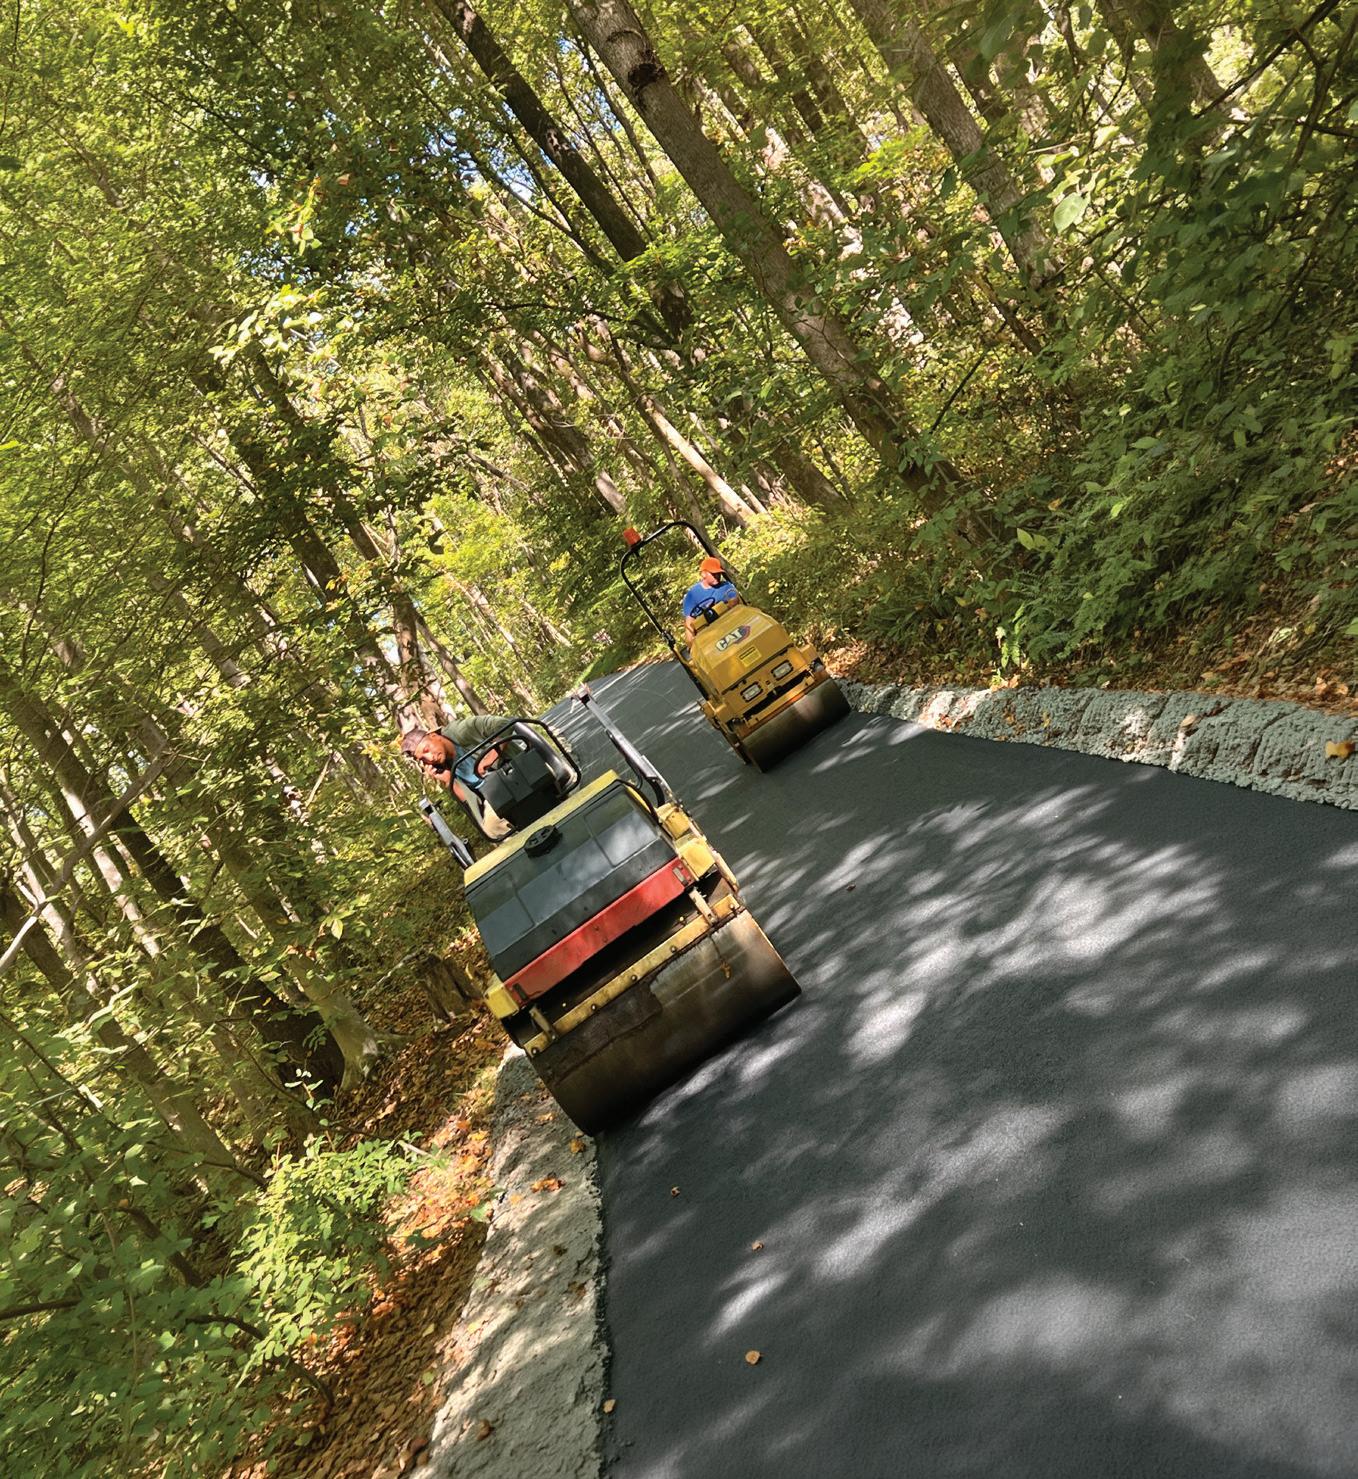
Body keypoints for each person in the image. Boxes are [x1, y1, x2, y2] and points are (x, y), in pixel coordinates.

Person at [402, 714, 515, 837]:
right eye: (423, 758)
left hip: (513, 773)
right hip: (494, 795)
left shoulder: (460, 731)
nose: (430, 758)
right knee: (489, 828)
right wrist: (448, 780)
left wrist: (489, 758)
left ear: (433, 736)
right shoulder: (444, 765)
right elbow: (474, 805)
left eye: (427, 749)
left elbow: (504, 723)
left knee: (492, 826)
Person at [682, 555, 741, 644]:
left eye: (718, 573)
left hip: (730, 623)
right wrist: (692, 643)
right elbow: (690, 623)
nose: (717, 576)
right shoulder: (692, 595)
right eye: (713, 574)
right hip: (709, 634)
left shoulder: (726, 586)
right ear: (703, 574)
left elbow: (735, 603)